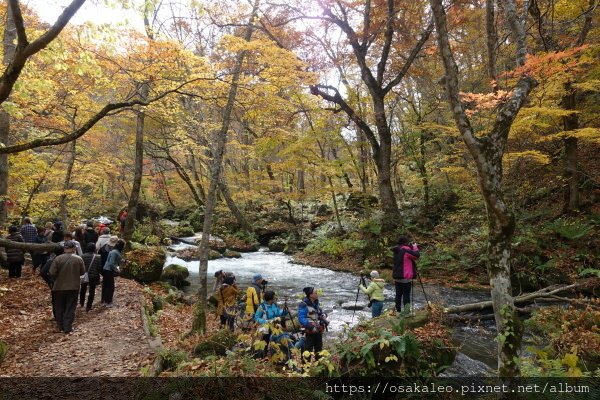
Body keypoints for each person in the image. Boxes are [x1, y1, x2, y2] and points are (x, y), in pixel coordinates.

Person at [49, 241, 85, 334]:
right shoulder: (78, 259)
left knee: (59, 306)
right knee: (70, 307)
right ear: (73, 249)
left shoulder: (58, 259)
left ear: (65, 248)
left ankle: (60, 326)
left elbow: (52, 272)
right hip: (73, 286)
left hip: (59, 286)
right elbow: (82, 272)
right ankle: (67, 327)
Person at [254, 290, 289, 359]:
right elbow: (256, 317)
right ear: (271, 298)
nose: (275, 298)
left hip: (275, 326)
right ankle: (263, 356)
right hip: (266, 327)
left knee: (276, 342)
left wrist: (285, 311)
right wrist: (266, 321)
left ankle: (275, 356)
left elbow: (278, 313)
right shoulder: (262, 307)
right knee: (265, 342)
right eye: (274, 296)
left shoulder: (274, 305)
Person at [298, 287, 328, 359]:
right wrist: (309, 326)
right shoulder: (303, 304)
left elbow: (319, 312)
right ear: (310, 295)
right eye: (316, 293)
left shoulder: (316, 302)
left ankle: (319, 366)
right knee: (307, 351)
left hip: (317, 330)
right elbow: (301, 318)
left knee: (319, 350)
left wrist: (324, 315)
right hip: (309, 331)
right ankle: (305, 369)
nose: (317, 294)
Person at [392, 236, 420, 314]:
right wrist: (415, 247)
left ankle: (398, 311)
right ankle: (407, 312)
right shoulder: (405, 249)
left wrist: (411, 247)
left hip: (397, 276)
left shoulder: (396, 249)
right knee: (406, 295)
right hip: (405, 276)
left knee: (398, 295)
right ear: (405, 242)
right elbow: (416, 256)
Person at [101, 239, 125, 307]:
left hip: (106, 269)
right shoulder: (115, 252)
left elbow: (118, 259)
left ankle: (104, 301)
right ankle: (108, 302)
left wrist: (125, 261)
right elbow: (111, 263)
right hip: (108, 270)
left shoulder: (115, 251)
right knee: (110, 287)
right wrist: (117, 270)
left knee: (106, 286)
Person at [80, 243, 102, 311]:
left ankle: (82, 303)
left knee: (83, 289)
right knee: (92, 291)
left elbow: (80, 266)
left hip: (84, 275)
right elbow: (99, 267)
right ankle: (89, 306)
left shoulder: (82, 256)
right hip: (94, 276)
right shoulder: (98, 257)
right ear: (94, 249)